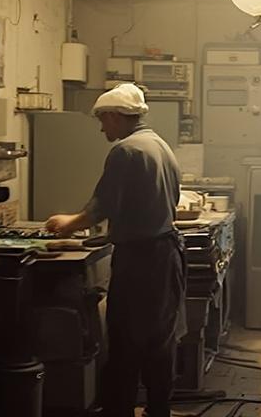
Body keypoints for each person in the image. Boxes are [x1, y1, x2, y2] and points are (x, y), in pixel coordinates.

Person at [45, 83, 185, 417]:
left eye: (103, 120)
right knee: (159, 343)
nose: (101, 128)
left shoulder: (126, 150)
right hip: (165, 255)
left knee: (125, 345)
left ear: (116, 117)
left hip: (140, 262)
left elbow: (101, 207)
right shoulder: (160, 146)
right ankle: (158, 409)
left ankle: (119, 410)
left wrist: (68, 223)